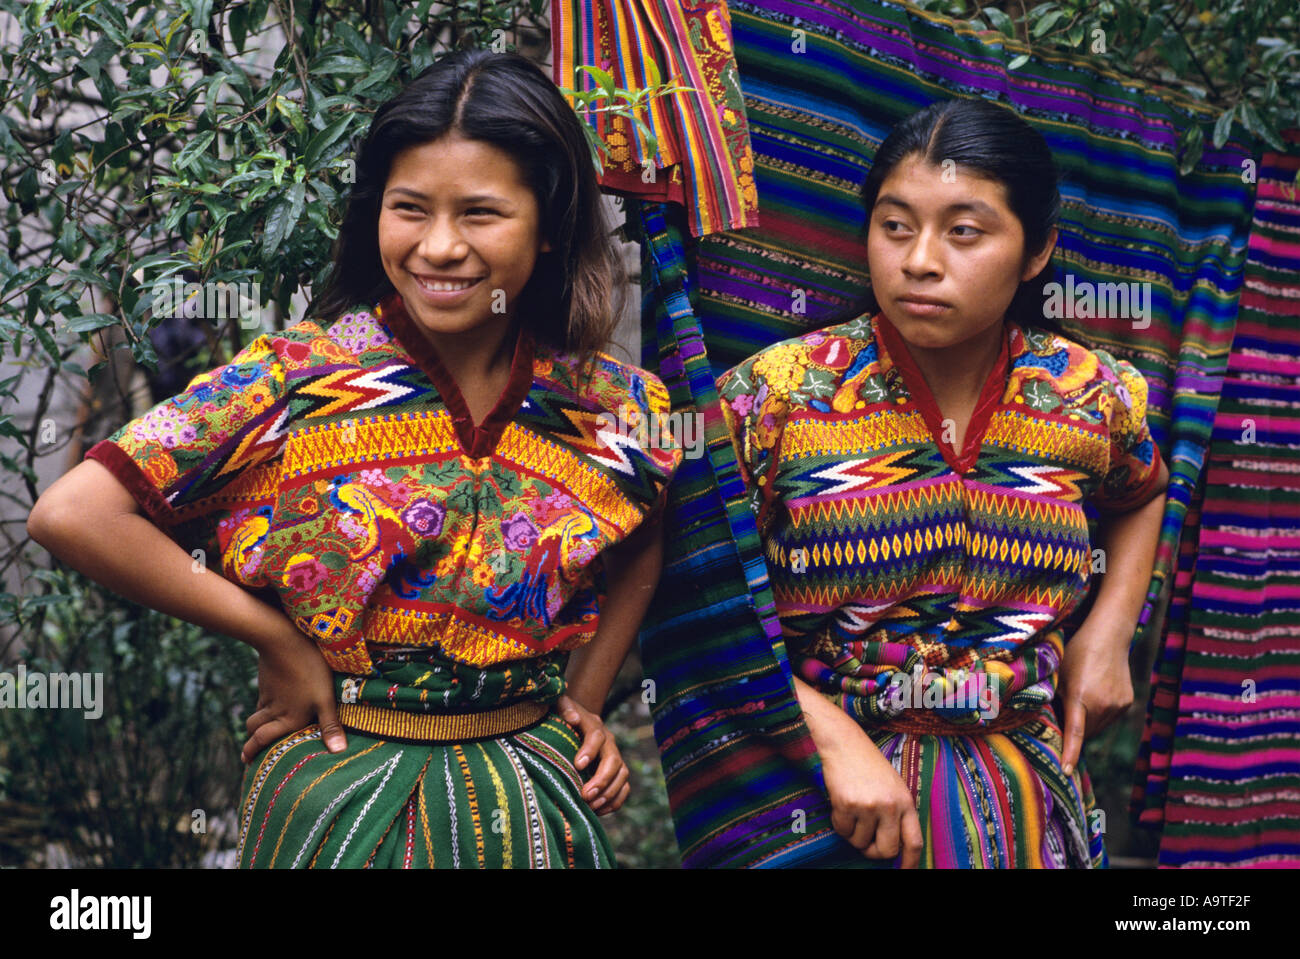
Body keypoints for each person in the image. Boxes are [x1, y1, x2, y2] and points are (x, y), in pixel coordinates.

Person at [28, 48, 682, 868]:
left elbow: (646, 526)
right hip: (336, 794)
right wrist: (275, 637)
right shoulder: (300, 381)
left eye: (481, 213)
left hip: (525, 795)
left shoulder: (610, 405)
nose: (439, 247)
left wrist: (582, 702)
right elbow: (76, 513)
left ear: (550, 227)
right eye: (410, 208)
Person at [715, 97, 1169, 868]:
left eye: (964, 231)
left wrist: (1110, 631)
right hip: (818, 802)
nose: (920, 259)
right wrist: (828, 730)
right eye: (896, 225)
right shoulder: (774, 398)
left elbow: (1142, 490)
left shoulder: (1091, 393)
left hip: (1028, 806)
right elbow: (700, 606)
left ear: (1036, 252)